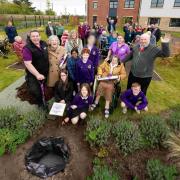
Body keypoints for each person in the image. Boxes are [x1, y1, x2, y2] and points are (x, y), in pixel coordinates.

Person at [23, 30, 49, 109]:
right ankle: (40, 105)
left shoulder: (43, 43)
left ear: (40, 36)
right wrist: (37, 74)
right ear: (30, 38)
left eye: (37, 36)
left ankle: (44, 100)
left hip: (44, 72)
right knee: (36, 91)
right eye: (33, 36)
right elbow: (28, 63)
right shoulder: (27, 48)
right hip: (33, 75)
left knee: (44, 89)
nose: (35, 38)